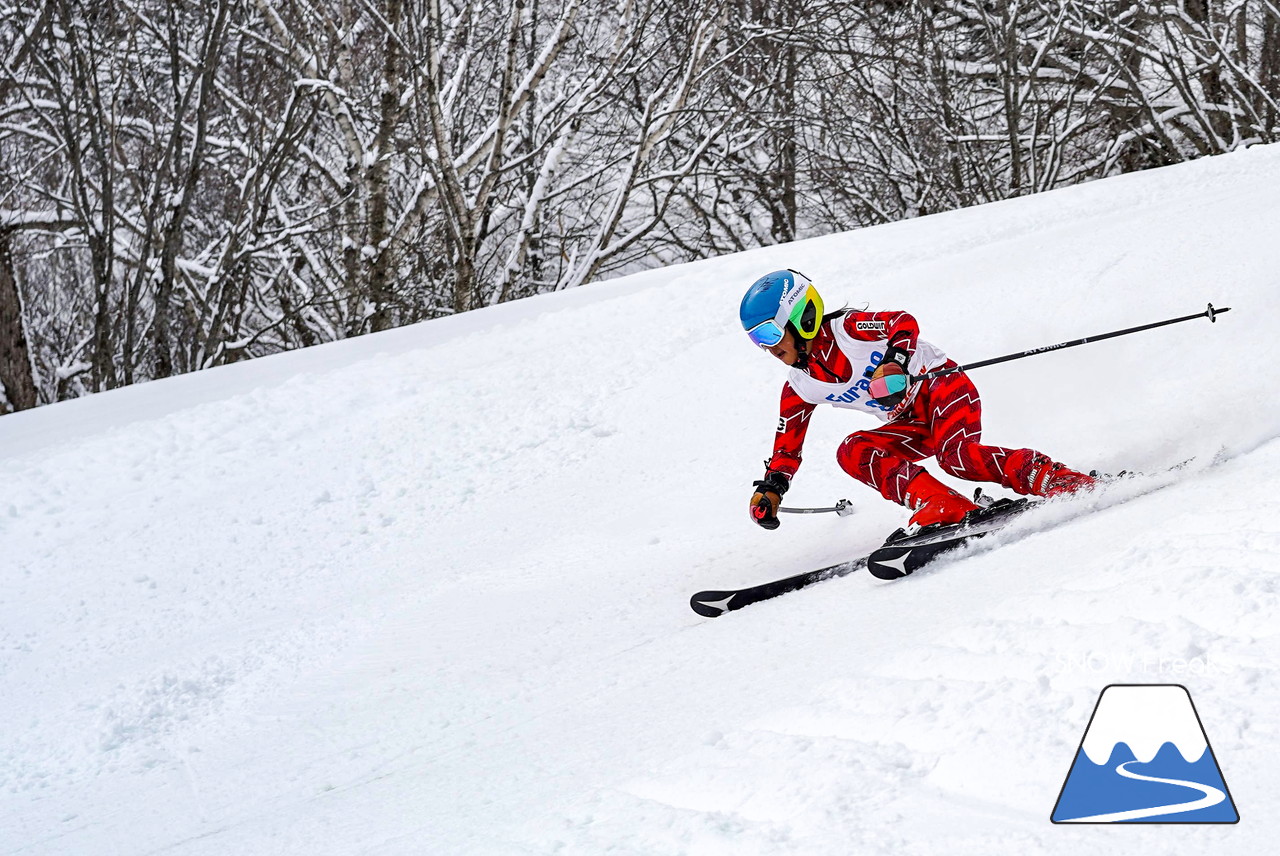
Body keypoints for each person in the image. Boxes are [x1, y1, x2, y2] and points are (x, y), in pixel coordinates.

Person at [741, 269, 1096, 531]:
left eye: (771, 332)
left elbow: (901, 322)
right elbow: (787, 446)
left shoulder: (847, 330)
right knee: (853, 450)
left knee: (958, 458)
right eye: (758, 340)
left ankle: (1054, 478)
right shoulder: (800, 385)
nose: (769, 347)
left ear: (802, 317)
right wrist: (773, 487)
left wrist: (894, 362)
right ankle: (940, 503)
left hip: (942, 386)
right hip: (910, 421)